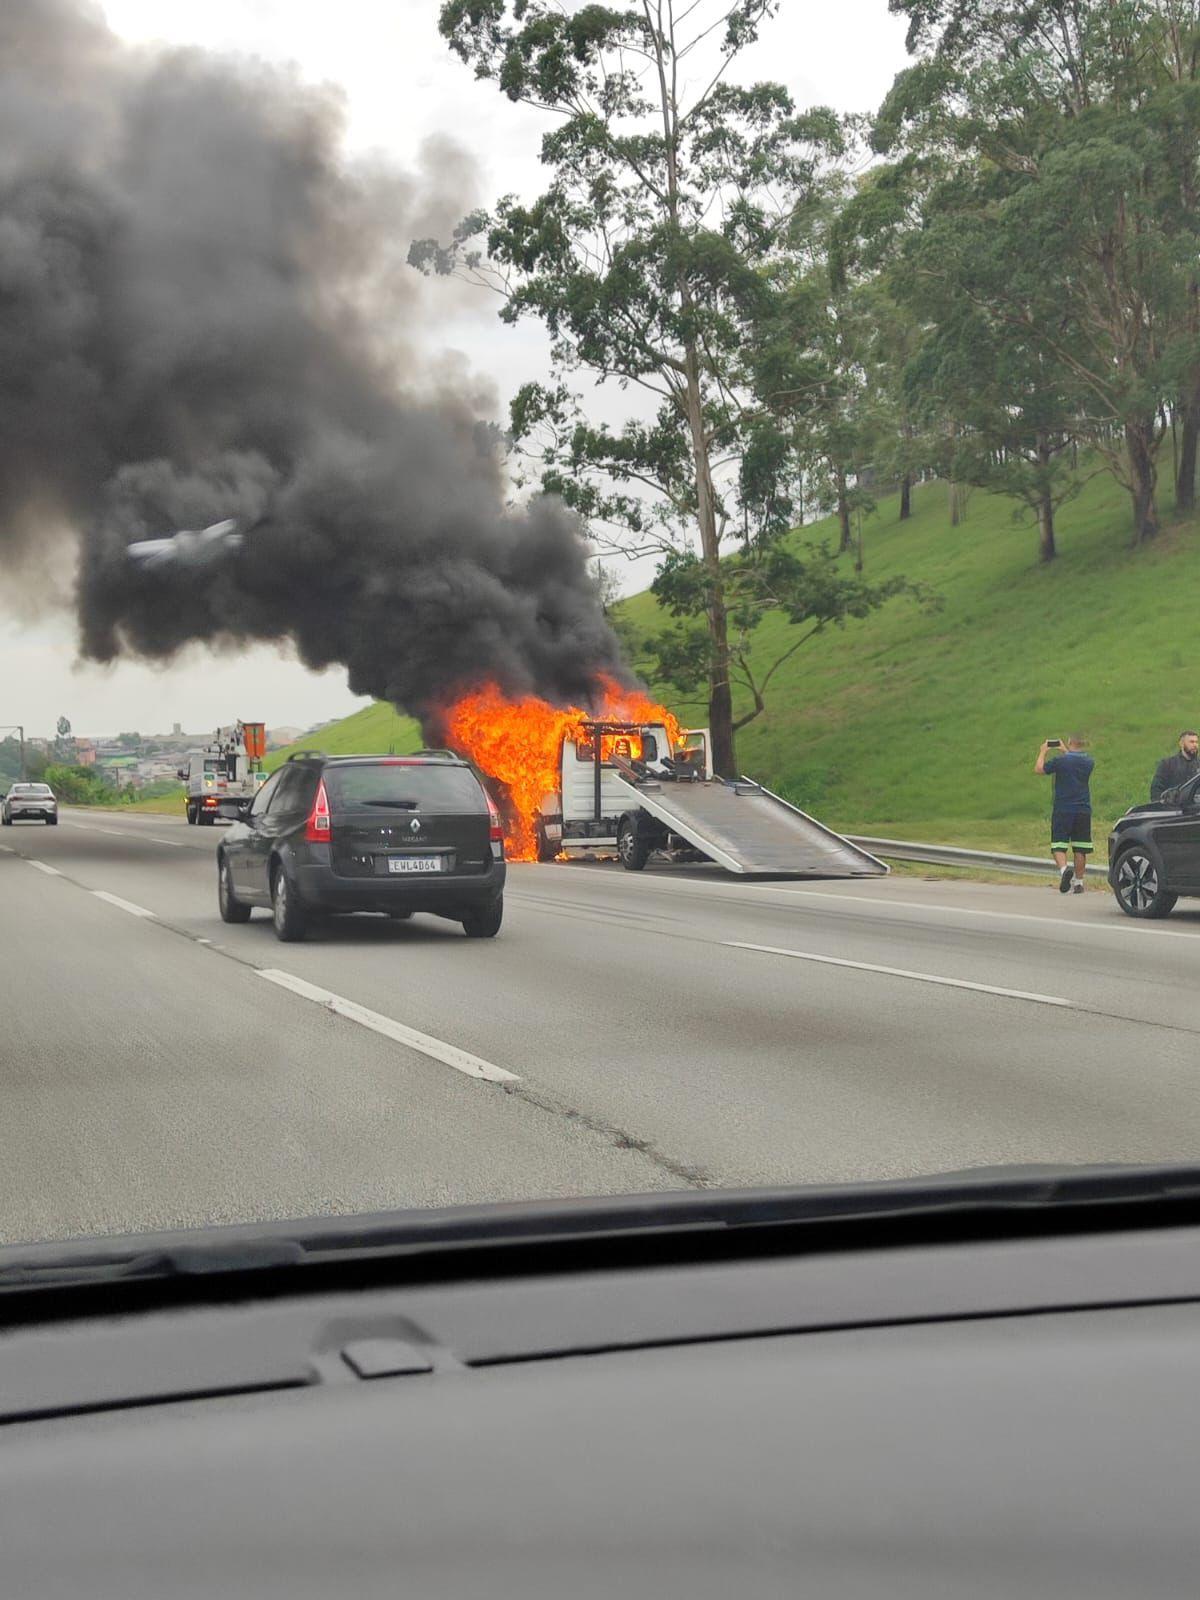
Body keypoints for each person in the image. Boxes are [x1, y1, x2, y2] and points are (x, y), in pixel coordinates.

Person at [1035, 734, 1094, 895]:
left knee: (1058, 845)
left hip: (1063, 808)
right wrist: (1065, 750)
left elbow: (1039, 769)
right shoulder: (1089, 761)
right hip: (1083, 809)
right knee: (1081, 847)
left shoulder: (1061, 761)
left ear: (1069, 742)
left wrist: (1043, 751)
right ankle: (1079, 883)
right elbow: (1072, 762)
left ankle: (1064, 870)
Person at [1150, 730, 1199, 802]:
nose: (1195, 745)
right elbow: (1156, 789)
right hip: (1174, 808)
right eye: (1191, 742)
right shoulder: (1167, 764)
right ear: (1181, 744)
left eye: (1196, 742)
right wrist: (1159, 806)